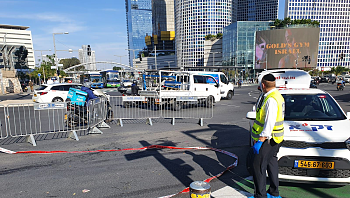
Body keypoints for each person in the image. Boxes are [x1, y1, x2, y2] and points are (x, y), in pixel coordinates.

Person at [249, 74, 284, 198]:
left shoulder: (271, 99)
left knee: (258, 165)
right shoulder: (277, 95)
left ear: (263, 85)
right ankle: (274, 191)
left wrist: (260, 140)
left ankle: (260, 195)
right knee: (271, 162)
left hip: (267, 140)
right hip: (277, 138)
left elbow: (269, 122)